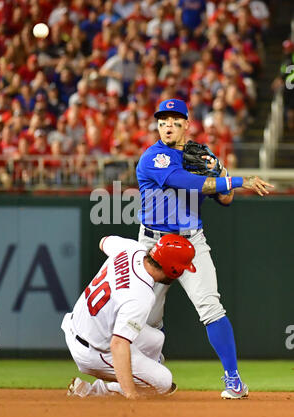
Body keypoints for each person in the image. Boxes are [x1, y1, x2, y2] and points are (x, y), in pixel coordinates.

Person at [136, 98, 274, 399]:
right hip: (154, 243)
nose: (167, 126)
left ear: (187, 123)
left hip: (190, 241)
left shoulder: (202, 154)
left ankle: (234, 379)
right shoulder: (153, 158)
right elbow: (184, 182)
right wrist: (238, 180)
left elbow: (225, 200)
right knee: (145, 318)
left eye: (174, 120)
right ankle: (148, 373)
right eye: (162, 121)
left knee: (211, 307)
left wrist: (219, 168)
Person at [61, 233, 196, 399]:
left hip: (82, 325)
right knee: (164, 383)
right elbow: (118, 344)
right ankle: (95, 391)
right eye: (182, 268)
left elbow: (103, 241)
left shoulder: (133, 249)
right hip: (94, 351)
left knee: (156, 339)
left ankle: (141, 380)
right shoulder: (141, 295)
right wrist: (131, 393)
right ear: (172, 269)